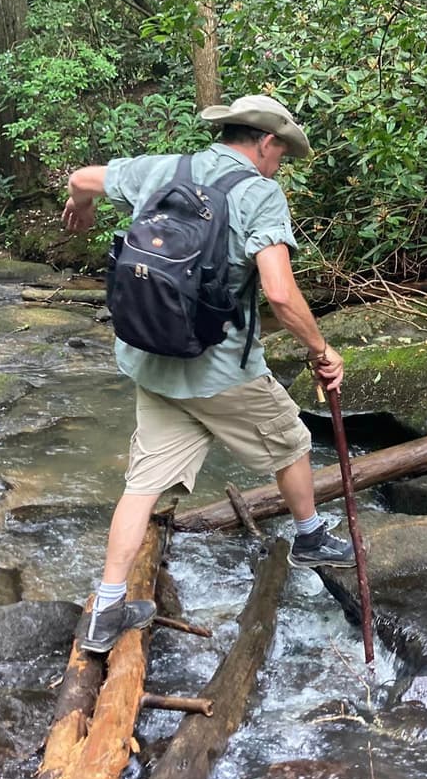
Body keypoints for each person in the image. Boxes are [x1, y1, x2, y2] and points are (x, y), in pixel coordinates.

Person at [62, 94, 353, 654]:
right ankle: (312, 537)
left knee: (141, 484)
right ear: (265, 142)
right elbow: (278, 291)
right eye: (281, 154)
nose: (279, 165)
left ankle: (105, 608)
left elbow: (81, 178)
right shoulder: (259, 194)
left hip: (149, 358)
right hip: (220, 369)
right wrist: (321, 350)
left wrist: (84, 211)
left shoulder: (164, 170)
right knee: (291, 440)